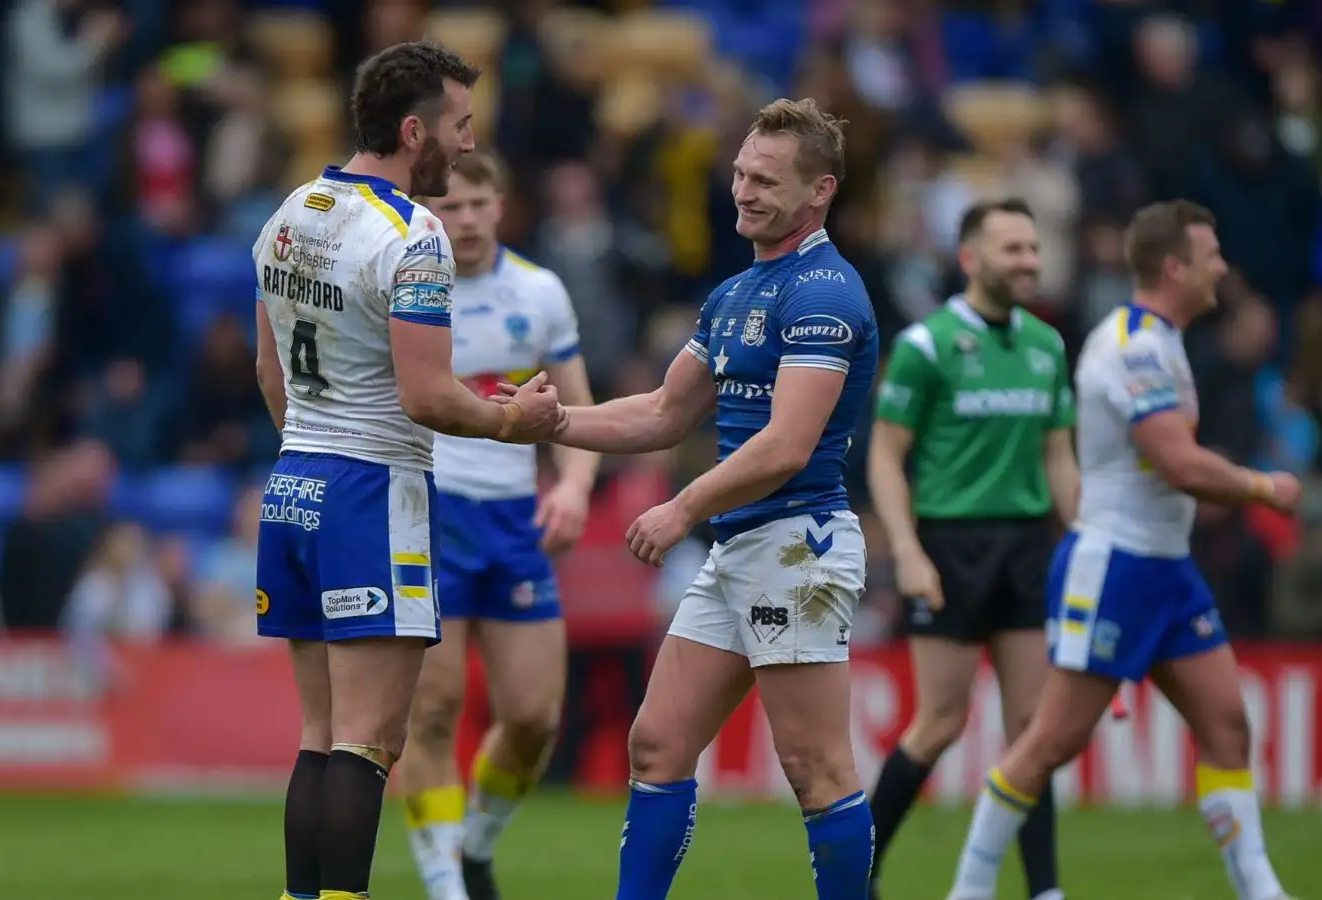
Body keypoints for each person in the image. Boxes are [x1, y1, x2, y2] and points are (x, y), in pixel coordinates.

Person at [539, 97, 881, 900]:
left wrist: (684, 506)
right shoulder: (736, 292)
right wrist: (549, 423)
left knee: (815, 766)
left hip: (799, 546)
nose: (744, 192)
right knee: (657, 743)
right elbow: (664, 412)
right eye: (740, 174)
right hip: (741, 547)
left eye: (766, 180)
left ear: (820, 191)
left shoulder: (826, 292)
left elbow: (788, 444)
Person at [250, 42, 563, 900]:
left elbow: (270, 374)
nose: (468, 144)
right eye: (460, 125)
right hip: (370, 492)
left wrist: (313, 445)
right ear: (415, 130)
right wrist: (515, 421)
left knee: (319, 734)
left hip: (296, 484)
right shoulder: (413, 235)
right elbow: (428, 397)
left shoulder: (289, 213)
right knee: (367, 740)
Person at [943, 200, 1300, 900]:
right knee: (1051, 742)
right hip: (1115, 566)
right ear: (1175, 267)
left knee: (1227, 725)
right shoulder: (1131, 345)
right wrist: (1262, 486)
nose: (1221, 267)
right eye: (1210, 255)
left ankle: (1263, 892)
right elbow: (1177, 462)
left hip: (1167, 569)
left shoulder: (1165, 341)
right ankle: (970, 890)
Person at [398, 150, 600, 900]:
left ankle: (475, 848)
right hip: (429, 509)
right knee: (433, 709)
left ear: (501, 206)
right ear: (429, 213)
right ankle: (446, 886)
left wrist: (573, 486)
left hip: (515, 520)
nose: (467, 220)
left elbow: (576, 410)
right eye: (451, 207)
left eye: (480, 204)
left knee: (534, 717)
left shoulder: (539, 291)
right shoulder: (407, 285)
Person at [863, 199, 1076, 900]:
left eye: (1033, 248)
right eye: (1013, 249)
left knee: (1033, 731)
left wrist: (1083, 540)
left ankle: (1044, 890)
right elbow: (885, 456)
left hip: (1026, 546)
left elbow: (1058, 457)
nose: (1029, 262)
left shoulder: (1047, 345)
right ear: (970, 258)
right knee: (940, 722)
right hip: (952, 546)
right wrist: (907, 551)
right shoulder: (927, 346)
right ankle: (856, 870)